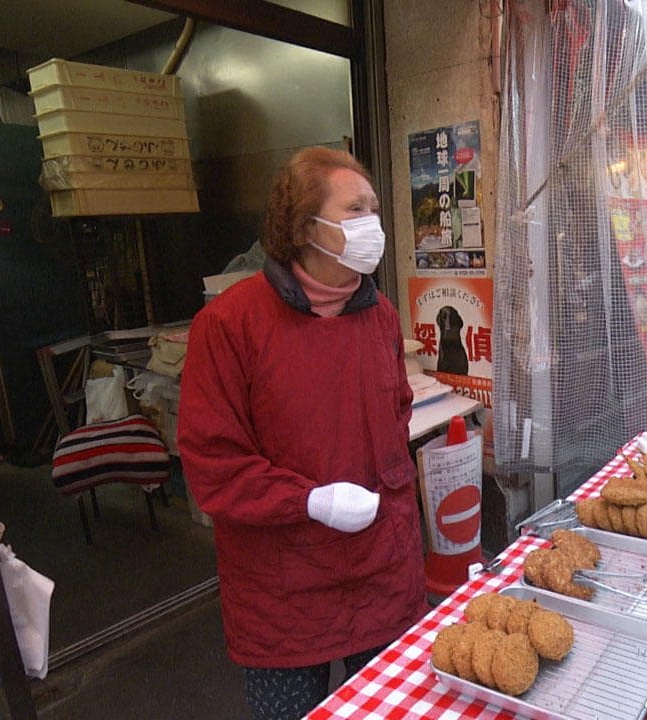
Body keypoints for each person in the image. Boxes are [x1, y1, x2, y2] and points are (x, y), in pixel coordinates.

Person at [177, 147, 426, 720]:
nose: (373, 225)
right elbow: (212, 461)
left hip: (382, 572)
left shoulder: (381, 315)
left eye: (375, 210)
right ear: (304, 225)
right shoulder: (229, 324)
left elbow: (396, 412)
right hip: (282, 594)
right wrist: (309, 499)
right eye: (355, 209)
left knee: (392, 711)